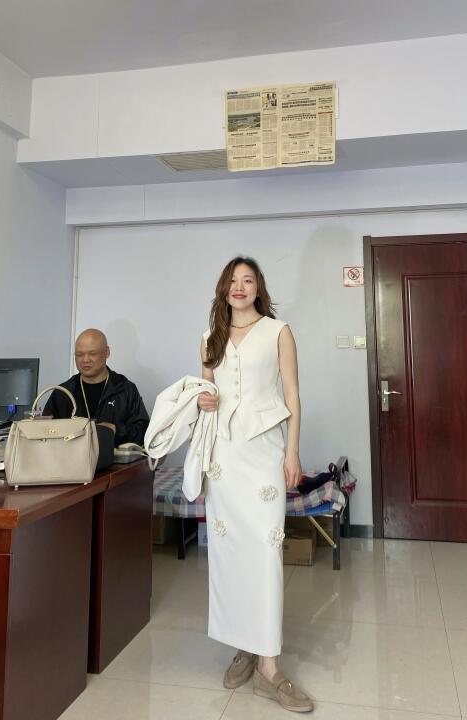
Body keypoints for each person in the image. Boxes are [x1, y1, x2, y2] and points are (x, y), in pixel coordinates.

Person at [198, 257, 313, 713]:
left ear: (258, 288)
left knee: (265, 554)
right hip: (223, 457)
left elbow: (293, 395)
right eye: (233, 280)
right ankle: (242, 647)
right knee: (229, 553)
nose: (240, 287)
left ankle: (269, 666)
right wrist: (203, 400)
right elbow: (205, 394)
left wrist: (292, 451)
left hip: (265, 452)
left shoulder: (278, 331)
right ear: (223, 288)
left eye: (248, 280)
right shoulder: (210, 337)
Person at [43, 328, 149, 447]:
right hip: (72, 458)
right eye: (79, 354)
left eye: (92, 354)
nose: (85, 360)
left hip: (114, 458)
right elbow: (45, 434)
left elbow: (144, 433)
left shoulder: (125, 389)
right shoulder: (63, 392)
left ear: (107, 352)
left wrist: (116, 430)